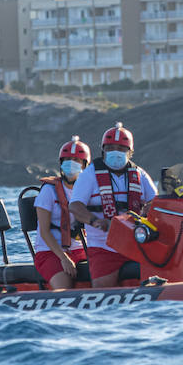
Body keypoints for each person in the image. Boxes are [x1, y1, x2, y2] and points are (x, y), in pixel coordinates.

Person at [69, 122, 157, 287]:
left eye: (121, 148)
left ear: (130, 152)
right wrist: (95, 221)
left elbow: (157, 202)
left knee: (158, 274)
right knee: (102, 286)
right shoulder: (89, 174)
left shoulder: (140, 174)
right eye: (110, 148)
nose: (115, 152)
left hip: (137, 243)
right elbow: (75, 206)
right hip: (103, 246)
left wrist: (149, 208)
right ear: (103, 150)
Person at [31, 136, 91, 289]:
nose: (71, 163)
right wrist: (64, 258)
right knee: (63, 285)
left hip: (79, 249)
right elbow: (44, 232)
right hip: (50, 252)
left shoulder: (87, 190)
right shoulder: (48, 191)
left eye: (76, 160)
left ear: (85, 165)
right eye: (67, 160)